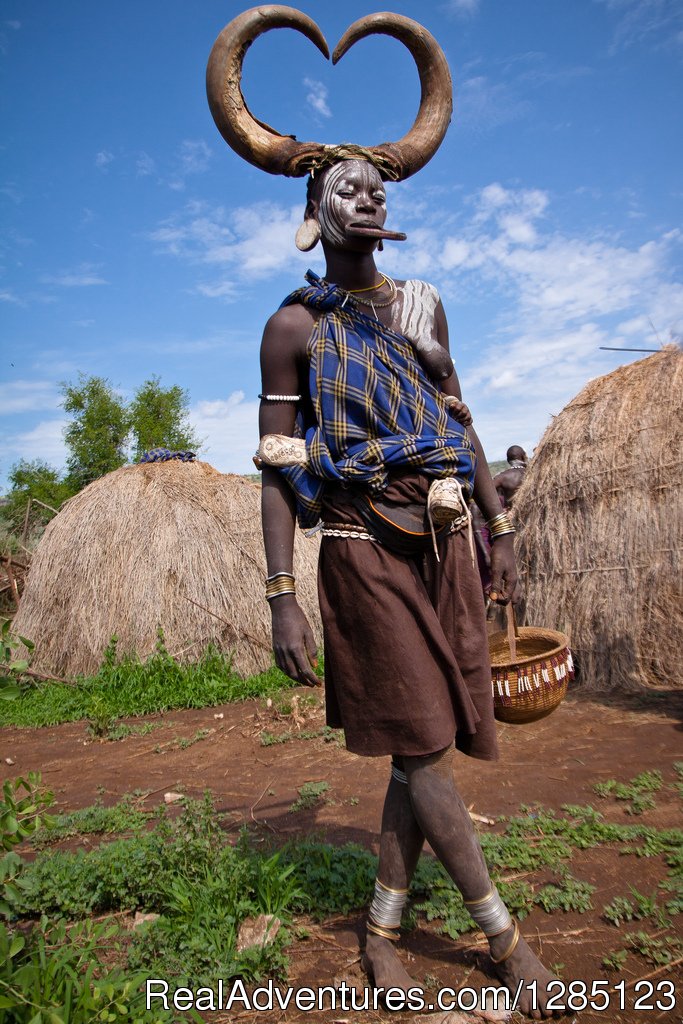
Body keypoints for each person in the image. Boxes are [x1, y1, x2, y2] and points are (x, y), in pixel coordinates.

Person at [207, 8, 562, 1018]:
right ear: (311, 216)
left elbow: (459, 418)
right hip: (360, 553)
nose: (361, 194)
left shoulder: (424, 309)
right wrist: (281, 595)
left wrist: (492, 531)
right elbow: (280, 466)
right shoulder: (291, 327)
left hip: (444, 543)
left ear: (389, 203)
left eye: (373, 183)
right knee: (419, 748)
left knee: (424, 744)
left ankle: (380, 925)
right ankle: (504, 938)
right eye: (340, 188)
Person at [493, 445, 529, 510]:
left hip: (513, 516)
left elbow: (486, 491)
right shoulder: (535, 473)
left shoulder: (502, 477)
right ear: (523, 457)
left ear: (508, 460)